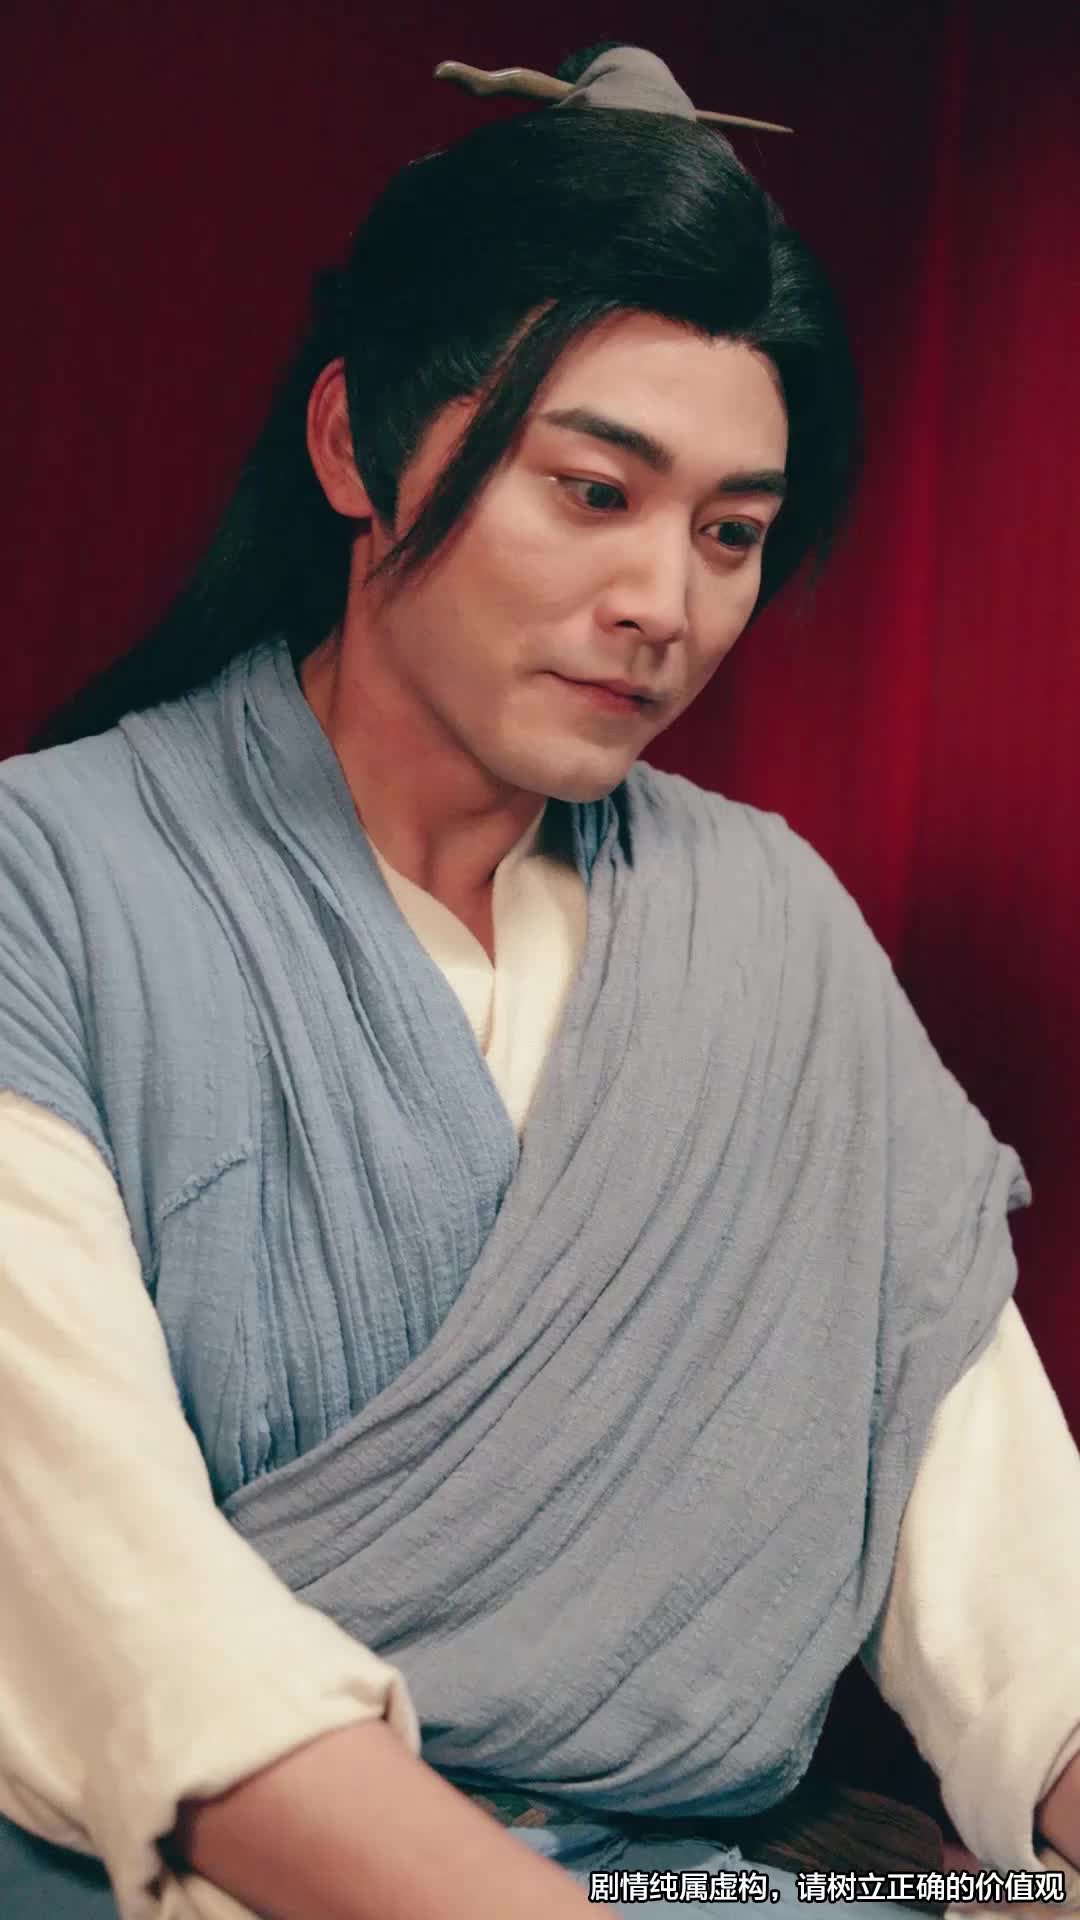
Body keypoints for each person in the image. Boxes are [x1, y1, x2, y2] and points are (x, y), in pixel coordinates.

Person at [2, 39, 1080, 1920]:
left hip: (690, 1885)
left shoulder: (774, 927)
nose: (668, 602)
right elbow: (123, 1626)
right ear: (355, 445)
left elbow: (1011, 1574)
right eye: (593, 492)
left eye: (731, 534)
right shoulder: (50, 884)